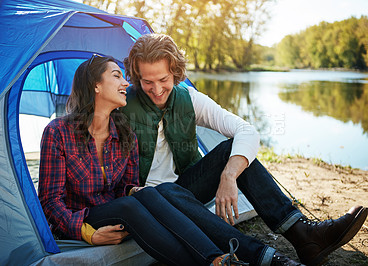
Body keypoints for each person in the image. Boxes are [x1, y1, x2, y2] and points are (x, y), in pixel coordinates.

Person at [121, 33, 368, 265]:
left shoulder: (190, 99)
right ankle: (264, 256)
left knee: (234, 150)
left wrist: (229, 175)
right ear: (135, 77)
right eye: (147, 82)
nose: (156, 90)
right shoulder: (119, 106)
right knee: (165, 192)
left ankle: (304, 234)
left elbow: (247, 131)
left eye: (163, 79)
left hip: (185, 189)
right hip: (146, 199)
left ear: (175, 73)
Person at [38, 54, 253, 266]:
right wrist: (88, 234)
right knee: (128, 207)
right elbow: (50, 202)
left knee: (146, 193)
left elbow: (124, 188)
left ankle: (220, 259)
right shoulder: (58, 132)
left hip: (116, 211)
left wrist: (134, 191)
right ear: (96, 86)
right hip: (82, 217)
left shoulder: (125, 134)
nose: (125, 82)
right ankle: (211, 261)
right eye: (116, 76)